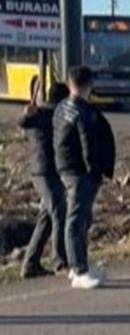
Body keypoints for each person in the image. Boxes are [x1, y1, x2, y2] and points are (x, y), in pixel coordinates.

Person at [54, 65, 116, 290]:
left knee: (81, 219)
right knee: (76, 221)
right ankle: (79, 269)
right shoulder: (83, 112)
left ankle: (79, 263)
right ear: (89, 85)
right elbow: (88, 144)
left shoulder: (61, 108)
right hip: (79, 172)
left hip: (64, 167)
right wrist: (94, 172)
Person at [18, 81, 71, 279]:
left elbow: (24, 121)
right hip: (44, 172)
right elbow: (23, 122)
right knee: (59, 212)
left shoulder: (44, 113)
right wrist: (26, 113)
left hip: (46, 172)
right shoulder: (47, 114)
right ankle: (60, 262)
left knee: (46, 218)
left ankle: (30, 264)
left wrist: (27, 114)